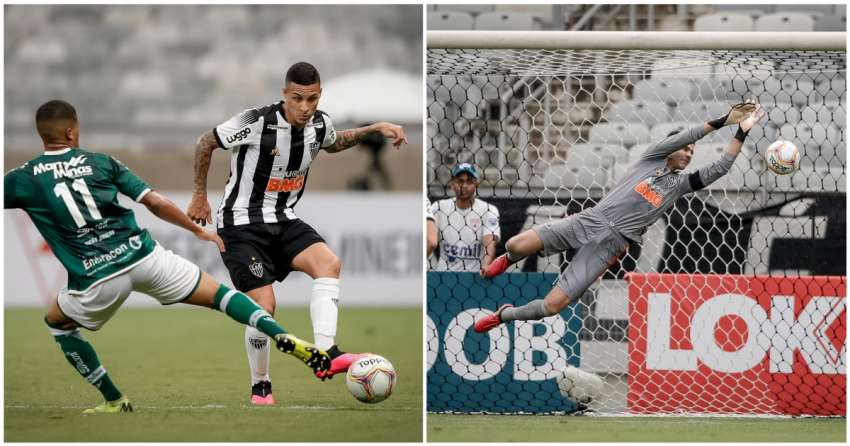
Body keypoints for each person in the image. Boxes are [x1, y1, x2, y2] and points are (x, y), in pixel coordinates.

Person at [4, 100, 330, 414]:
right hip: (145, 258)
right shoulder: (101, 162)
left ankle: (114, 399)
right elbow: (155, 203)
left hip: (96, 278)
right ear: (72, 132)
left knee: (58, 324)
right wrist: (198, 230)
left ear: (42, 135)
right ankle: (279, 333)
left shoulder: (24, 178)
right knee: (223, 296)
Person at [186, 61, 408, 405]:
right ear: (285, 94)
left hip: (283, 219)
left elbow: (335, 142)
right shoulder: (255, 121)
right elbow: (205, 142)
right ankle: (261, 384)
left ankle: (326, 352)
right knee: (264, 306)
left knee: (329, 264)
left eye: (313, 99)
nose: (305, 107)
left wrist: (375, 127)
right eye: (298, 99)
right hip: (240, 225)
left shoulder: (320, 124)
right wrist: (200, 194)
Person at [475, 100, 764, 333]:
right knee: (515, 246)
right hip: (590, 220)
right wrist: (725, 120)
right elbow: (688, 134)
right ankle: (506, 260)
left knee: (552, 307)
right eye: (685, 149)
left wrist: (743, 130)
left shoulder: (679, 185)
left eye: (692, 152)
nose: (688, 154)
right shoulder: (651, 158)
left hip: (611, 245)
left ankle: (504, 316)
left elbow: (721, 168)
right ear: (670, 148)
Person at [429, 163, 500, 275]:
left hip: (474, 279)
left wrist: (486, 266)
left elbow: (489, 243)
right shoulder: (438, 207)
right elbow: (428, 240)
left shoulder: (489, 210)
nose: (464, 186)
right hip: (443, 278)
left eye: (469, 181)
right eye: (460, 181)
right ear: (452, 183)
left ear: (476, 184)